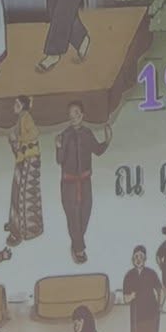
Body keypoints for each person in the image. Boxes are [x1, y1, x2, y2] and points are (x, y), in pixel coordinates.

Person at [54, 101, 110, 264]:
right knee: (73, 218)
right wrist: (58, 147)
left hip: (85, 182)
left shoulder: (87, 133)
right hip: (69, 183)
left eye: (77, 113)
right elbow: (59, 160)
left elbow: (98, 151)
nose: (74, 117)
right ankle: (79, 249)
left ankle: (76, 243)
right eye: (71, 114)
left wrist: (107, 140)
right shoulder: (64, 135)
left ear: (82, 115)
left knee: (85, 213)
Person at [5, 96, 44, 245]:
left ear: (22, 106)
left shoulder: (26, 117)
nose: (14, 106)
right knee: (17, 191)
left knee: (23, 194)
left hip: (29, 160)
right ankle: (16, 224)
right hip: (24, 159)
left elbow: (34, 133)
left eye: (17, 104)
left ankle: (23, 230)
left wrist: (18, 138)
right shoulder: (22, 118)